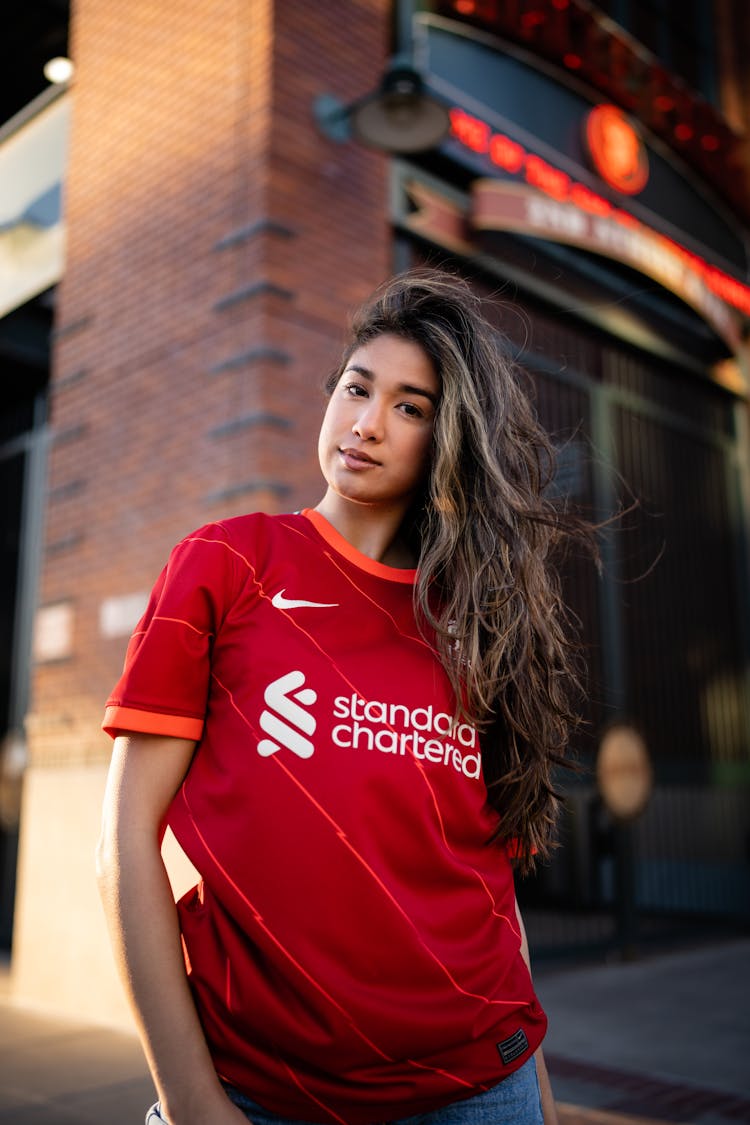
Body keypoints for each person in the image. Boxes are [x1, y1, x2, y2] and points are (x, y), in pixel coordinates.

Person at [97, 268, 594, 1125]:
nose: (367, 422)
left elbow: (487, 879)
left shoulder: (474, 617)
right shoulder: (228, 563)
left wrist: (532, 1087)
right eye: (358, 388)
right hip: (264, 1091)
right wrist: (190, 1101)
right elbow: (123, 845)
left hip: (480, 1088)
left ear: (449, 439)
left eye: (411, 405)